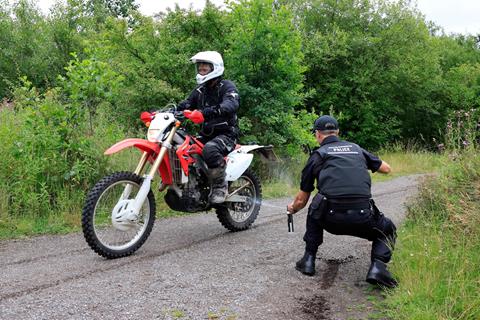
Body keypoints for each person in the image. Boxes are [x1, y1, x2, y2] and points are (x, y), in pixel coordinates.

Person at [287, 115, 398, 288]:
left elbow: (301, 200)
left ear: (317, 134)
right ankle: (378, 267)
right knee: (388, 229)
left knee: (314, 208)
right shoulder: (357, 149)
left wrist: (292, 208)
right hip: (363, 218)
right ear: (337, 132)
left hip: (330, 220)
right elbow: (386, 169)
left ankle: (308, 260)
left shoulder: (317, 156)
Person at [177, 51, 240, 204]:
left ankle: (220, 186)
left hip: (226, 135)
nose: (201, 69)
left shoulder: (227, 86)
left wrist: (204, 113)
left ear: (215, 68)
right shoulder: (200, 90)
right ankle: (189, 184)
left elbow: (231, 104)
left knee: (210, 149)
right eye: (200, 67)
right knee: (181, 145)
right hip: (205, 135)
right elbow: (185, 105)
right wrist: (161, 113)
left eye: (205, 67)